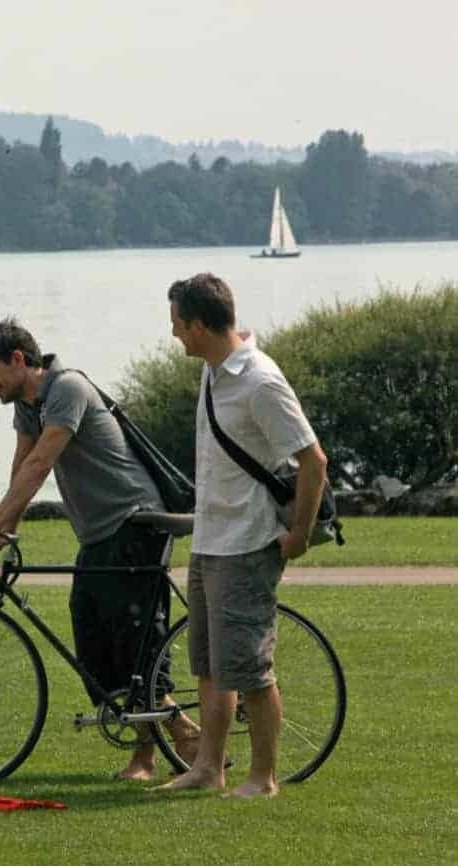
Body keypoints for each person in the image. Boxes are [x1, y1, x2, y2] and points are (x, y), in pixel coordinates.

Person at [0, 317, 197, 781]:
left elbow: (44, 460)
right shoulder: (28, 405)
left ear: (20, 360)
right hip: (98, 534)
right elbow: (23, 463)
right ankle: (166, 739)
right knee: (93, 640)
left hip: (134, 523)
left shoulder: (67, 389)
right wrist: (8, 528)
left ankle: (165, 744)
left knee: (134, 643)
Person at [156, 273, 327, 799]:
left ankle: (263, 778)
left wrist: (298, 534)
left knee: (250, 667)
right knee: (209, 664)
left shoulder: (260, 380)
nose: (175, 336)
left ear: (202, 325)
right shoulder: (213, 372)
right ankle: (209, 767)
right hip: (211, 539)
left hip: (250, 543)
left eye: (179, 326)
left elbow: (312, 460)